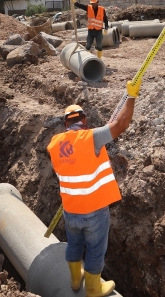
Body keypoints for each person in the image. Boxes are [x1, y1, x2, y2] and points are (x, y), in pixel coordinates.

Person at [47, 81, 139, 296]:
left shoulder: (54, 144)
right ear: (84, 120)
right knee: (96, 250)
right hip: (94, 211)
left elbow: (74, 163)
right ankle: (94, 289)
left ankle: (75, 279)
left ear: (65, 124)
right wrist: (131, 96)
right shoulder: (92, 137)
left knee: (74, 244)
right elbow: (122, 123)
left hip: (70, 210)